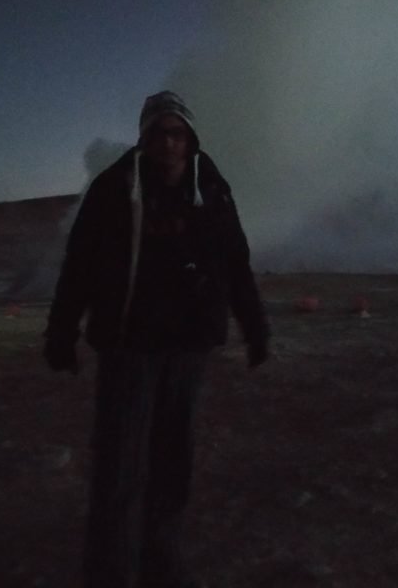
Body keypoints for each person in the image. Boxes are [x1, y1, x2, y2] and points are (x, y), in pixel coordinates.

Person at [42, 90, 270, 588]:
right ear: (144, 139)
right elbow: (80, 264)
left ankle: (160, 564)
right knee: (119, 466)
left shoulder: (211, 188)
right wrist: (61, 331)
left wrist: (254, 324)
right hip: (129, 345)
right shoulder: (114, 189)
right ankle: (112, 573)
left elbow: (234, 262)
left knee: (172, 463)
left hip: (187, 347)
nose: (169, 143)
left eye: (178, 133)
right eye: (159, 133)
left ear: (190, 138)